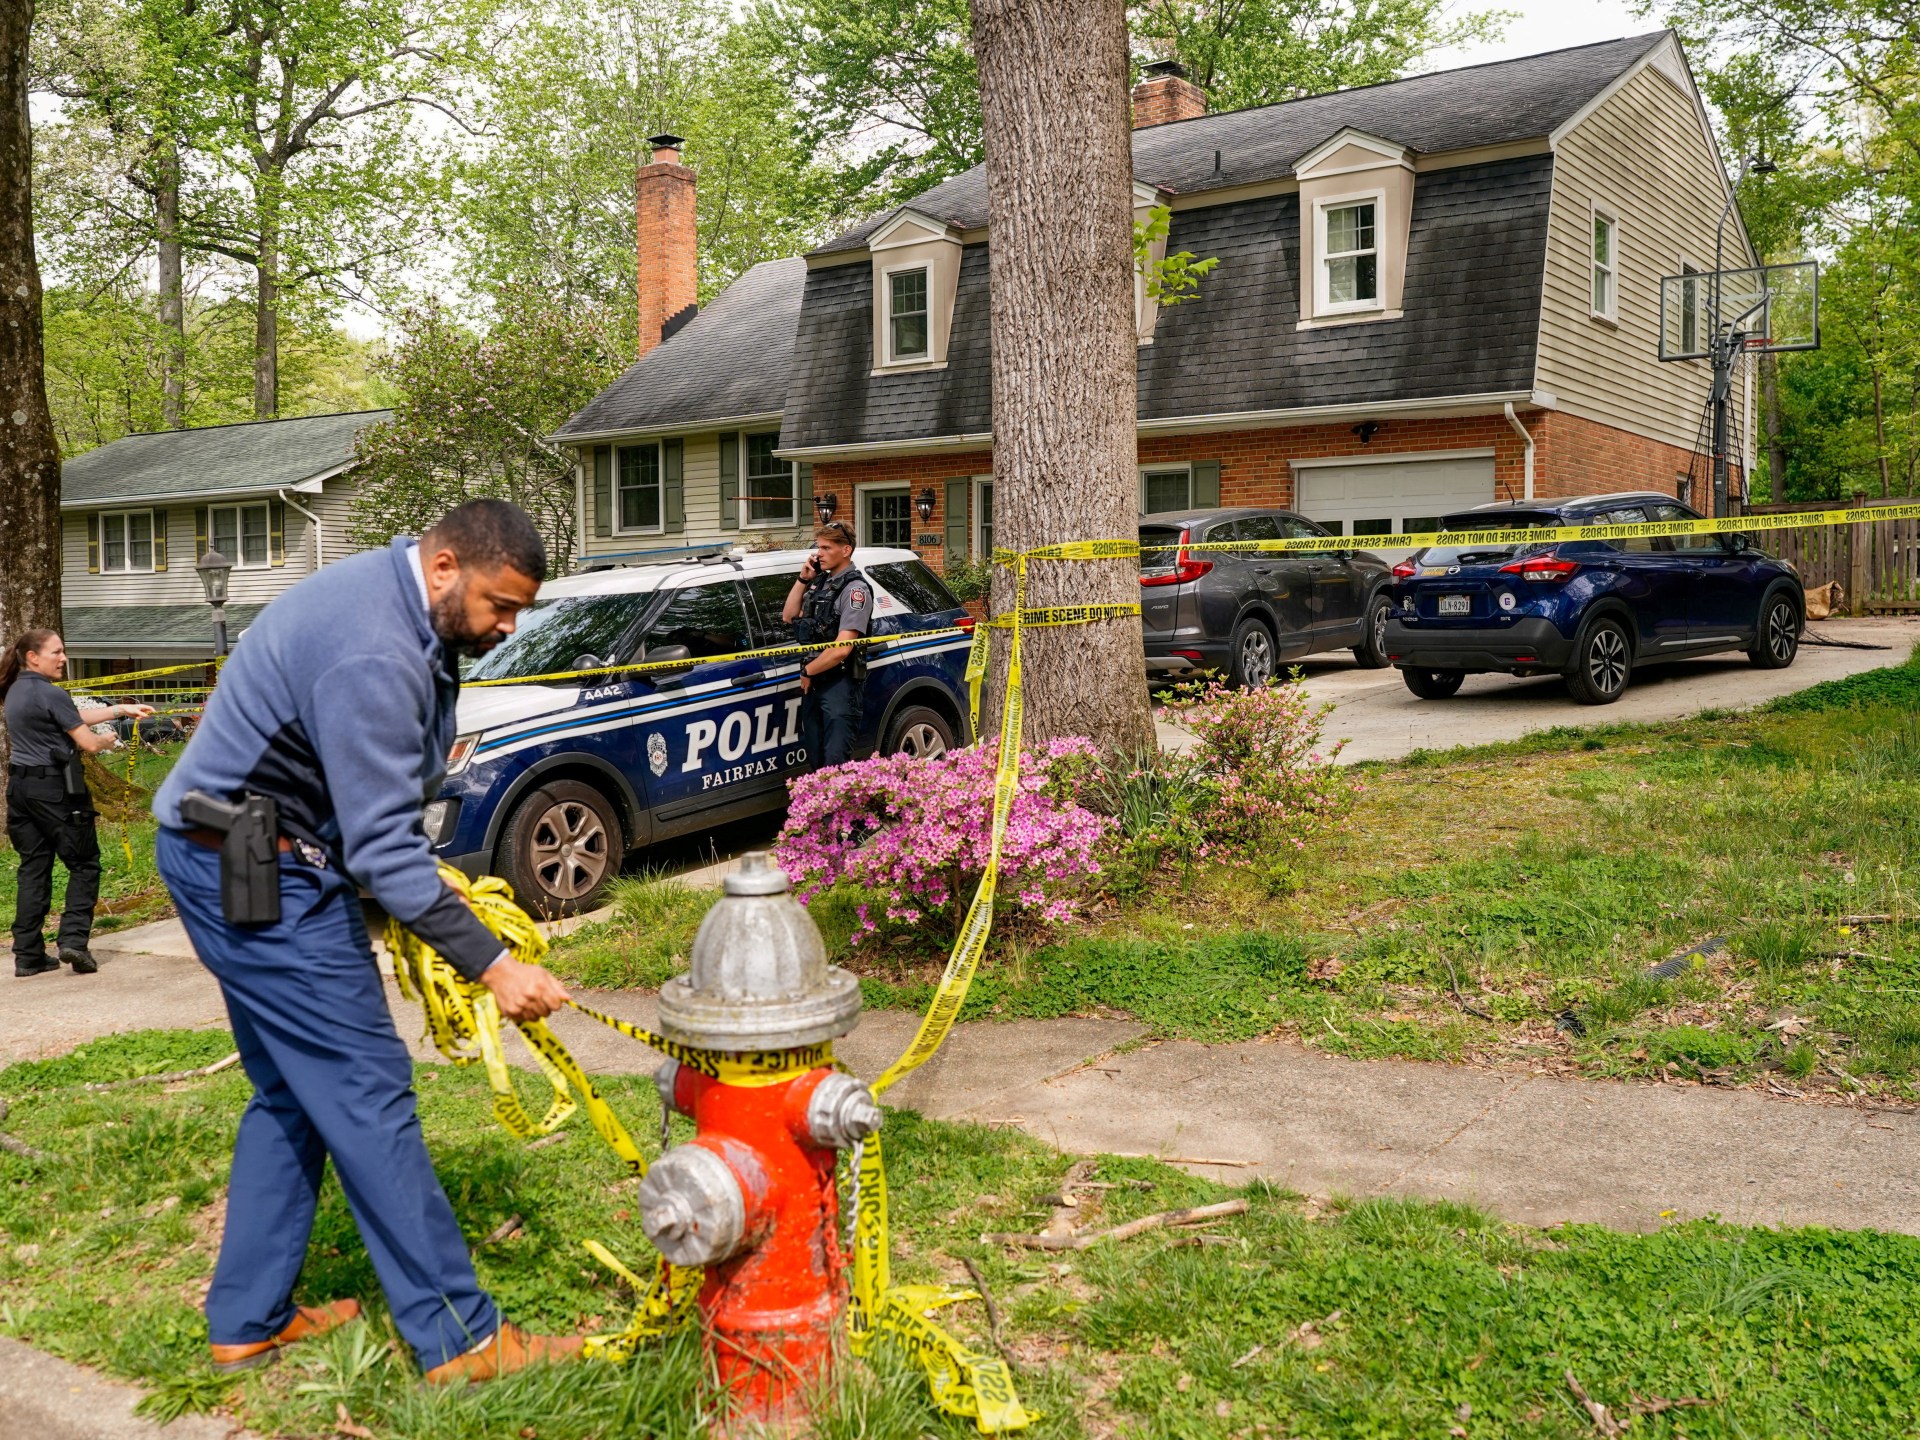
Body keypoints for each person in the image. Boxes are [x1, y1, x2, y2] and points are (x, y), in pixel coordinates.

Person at [152, 499, 583, 1384]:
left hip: (239, 849)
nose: (506, 627)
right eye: (499, 605)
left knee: (293, 1092)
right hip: (253, 863)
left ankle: (246, 1321)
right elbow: (385, 847)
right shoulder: (375, 647)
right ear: (444, 566)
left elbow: (364, 805)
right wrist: (494, 965)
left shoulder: (402, 611)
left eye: (518, 611)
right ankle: (460, 1341)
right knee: (367, 1090)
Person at [2, 631, 153, 977]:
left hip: (21, 790)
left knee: (33, 869)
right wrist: (108, 739)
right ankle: (73, 941)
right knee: (84, 864)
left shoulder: (15, 690)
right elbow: (87, 743)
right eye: (56, 652)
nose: (64, 657)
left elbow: (66, 717)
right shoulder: (50, 693)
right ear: (33, 657)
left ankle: (28, 955)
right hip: (57, 792)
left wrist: (120, 708)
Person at [780, 520, 873, 766]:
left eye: (826, 548)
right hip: (815, 683)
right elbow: (789, 616)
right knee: (816, 762)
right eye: (818, 547)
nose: (819, 554)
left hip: (840, 686)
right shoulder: (820, 583)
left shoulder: (855, 590)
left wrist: (807, 671)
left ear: (846, 550)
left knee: (835, 765)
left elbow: (842, 648)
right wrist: (803, 580)